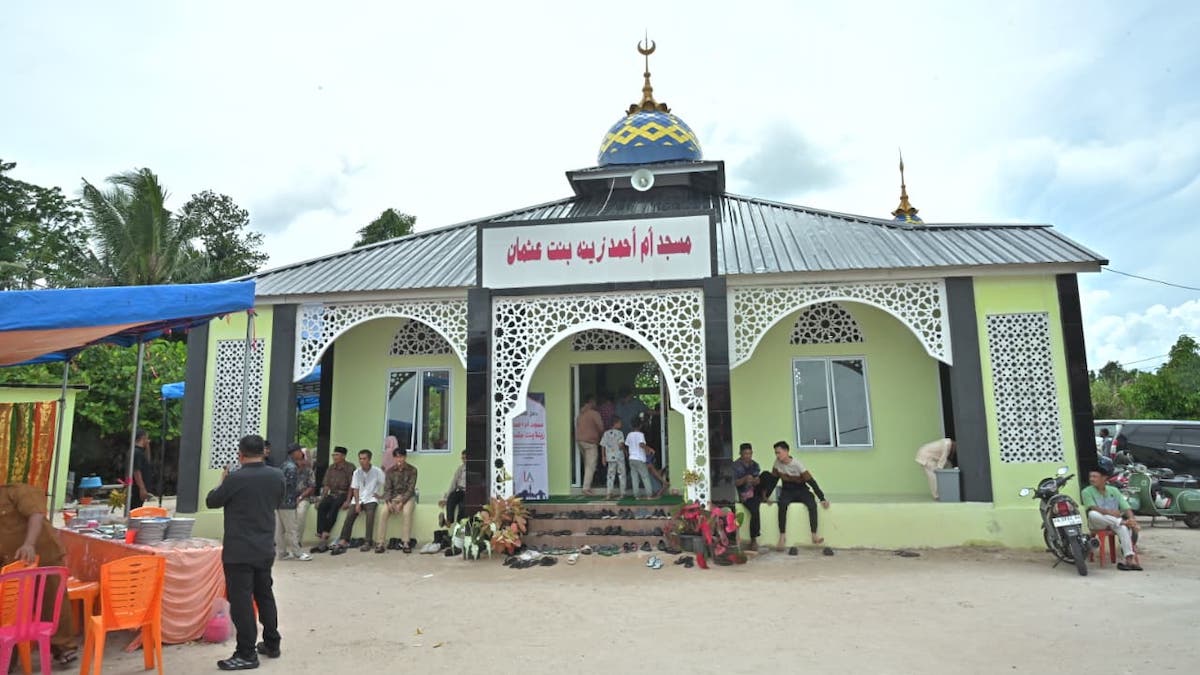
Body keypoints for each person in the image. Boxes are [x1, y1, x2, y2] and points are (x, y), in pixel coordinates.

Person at [205, 434, 285, 671]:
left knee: (241, 602)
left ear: (240, 454)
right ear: (264, 451)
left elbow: (212, 501)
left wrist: (223, 481)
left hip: (239, 550)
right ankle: (272, 643)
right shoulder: (276, 475)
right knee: (265, 595)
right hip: (264, 547)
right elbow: (277, 500)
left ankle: (246, 653)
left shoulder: (234, 479)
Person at [0, 483, 77, 667]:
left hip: (43, 554)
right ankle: (10, 654)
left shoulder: (17, 491)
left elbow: (36, 514)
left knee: (51, 601)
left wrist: (29, 544)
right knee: (11, 608)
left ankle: (63, 648)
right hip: (12, 562)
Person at [760, 441, 829, 550]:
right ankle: (782, 536)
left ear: (787, 451)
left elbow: (811, 481)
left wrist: (822, 498)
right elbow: (773, 481)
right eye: (776, 453)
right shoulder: (777, 463)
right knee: (782, 505)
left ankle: (814, 535)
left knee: (812, 505)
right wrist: (766, 496)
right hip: (787, 490)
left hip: (801, 489)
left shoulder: (797, 464)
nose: (777, 455)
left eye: (779, 453)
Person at [1081, 468, 1142, 571]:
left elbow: (1126, 507)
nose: (1091, 479)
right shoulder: (1086, 491)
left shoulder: (1114, 490)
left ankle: (1129, 560)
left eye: (1095, 476)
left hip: (1114, 523)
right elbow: (1093, 508)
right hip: (1098, 523)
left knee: (1123, 529)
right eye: (1090, 476)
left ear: (1104, 478)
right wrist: (1112, 513)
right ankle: (1123, 522)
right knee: (1092, 514)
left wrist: (1133, 521)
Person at [330, 449, 385, 554]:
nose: (362, 461)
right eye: (360, 458)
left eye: (364, 459)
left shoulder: (377, 471)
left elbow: (386, 484)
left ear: (369, 459)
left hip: (371, 498)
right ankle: (343, 540)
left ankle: (368, 541)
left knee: (370, 515)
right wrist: (357, 503)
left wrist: (381, 496)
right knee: (350, 515)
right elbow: (355, 488)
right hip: (358, 499)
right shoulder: (356, 472)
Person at [311, 446, 354, 553]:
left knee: (334, 507)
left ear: (343, 456)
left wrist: (348, 501)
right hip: (333, 493)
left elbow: (352, 486)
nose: (334, 457)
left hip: (343, 494)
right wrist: (321, 498)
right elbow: (326, 485)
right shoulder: (331, 468)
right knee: (322, 507)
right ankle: (321, 535)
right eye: (333, 455)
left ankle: (324, 536)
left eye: (337, 455)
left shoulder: (350, 467)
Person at [375, 447, 418, 553]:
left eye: (402, 457)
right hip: (393, 497)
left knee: (407, 513)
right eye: (397, 457)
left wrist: (402, 502)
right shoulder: (390, 471)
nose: (399, 459)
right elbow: (387, 489)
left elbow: (410, 488)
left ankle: (406, 542)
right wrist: (388, 502)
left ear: (405, 457)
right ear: (394, 458)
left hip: (407, 497)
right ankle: (380, 543)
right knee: (383, 512)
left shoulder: (412, 470)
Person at [274, 444, 312, 561]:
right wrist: (294, 498)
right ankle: (297, 553)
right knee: (292, 529)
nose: (301, 453)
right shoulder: (292, 467)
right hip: (287, 502)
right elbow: (289, 486)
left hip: (278, 501)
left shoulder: (284, 465)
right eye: (300, 451)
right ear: (294, 453)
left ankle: (282, 553)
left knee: (279, 530)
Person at [732, 443, 763, 551]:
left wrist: (755, 481)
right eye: (745, 454)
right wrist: (744, 479)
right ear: (740, 454)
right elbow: (734, 483)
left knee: (767, 476)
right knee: (755, 510)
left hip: (755, 492)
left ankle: (764, 496)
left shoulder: (755, 465)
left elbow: (757, 479)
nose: (748, 456)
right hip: (743, 494)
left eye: (750, 453)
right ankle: (753, 539)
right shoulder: (735, 466)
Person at [574, 394, 604, 495]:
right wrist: (601, 437)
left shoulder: (580, 414)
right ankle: (586, 488)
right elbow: (600, 427)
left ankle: (586, 484)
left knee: (587, 464)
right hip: (590, 442)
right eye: (594, 402)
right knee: (590, 465)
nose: (596, 404)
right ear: (591, 402)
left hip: (580, 441)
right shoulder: (594, 413)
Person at [292, 447, 317, 551]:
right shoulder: (290, 470)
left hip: (304, 498)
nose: (301, 462)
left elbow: (312, 487)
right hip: (290, 498)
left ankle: (297, 541)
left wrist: (301, 497)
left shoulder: (309, 471)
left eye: (302, 459)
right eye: (298, 460)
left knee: (301, 513)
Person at [624, 419, 655, 500]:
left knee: (634, 477)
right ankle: (649, 495)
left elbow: (627, 445)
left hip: (631, 458)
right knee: (645, 476)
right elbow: (641, 444)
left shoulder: (629, 434)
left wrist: (628, 454)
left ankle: (636, 495)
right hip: (639, 458)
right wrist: (649, 449)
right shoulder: (640, 434)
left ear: (631, 426)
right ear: (640, 426)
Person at [439, 450, 467, 527]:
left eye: (466, 458)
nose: (464, 460)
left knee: (463, 505)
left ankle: (460, 524)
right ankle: (448, 521)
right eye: (463, 458)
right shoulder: (460, 469)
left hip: (470, 493)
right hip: (460, 490)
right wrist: (445, 498)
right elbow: (454, 483)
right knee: (452, 497)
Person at [600, 417, 626, 499]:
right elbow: (621, 445)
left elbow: (603, 446)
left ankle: (609, 493)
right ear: (615, 423)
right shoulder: (620, 433)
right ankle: (622, 493)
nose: (621, 424)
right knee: (622, 475)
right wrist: (625, 450)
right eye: (620, 423)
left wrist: (603, 457)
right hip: (619, 457)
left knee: (610, 475)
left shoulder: (606, 433)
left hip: (610, 457)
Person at [130, 428, 153, 509]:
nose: (148, 440)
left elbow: (148, 461)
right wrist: (142, 488)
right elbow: (136, 471)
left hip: (138, 487)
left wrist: (147, 447)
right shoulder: (136, 452)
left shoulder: (140, 452)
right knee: (134, 510)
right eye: (147, 438)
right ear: (143, 438)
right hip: (136, 489)